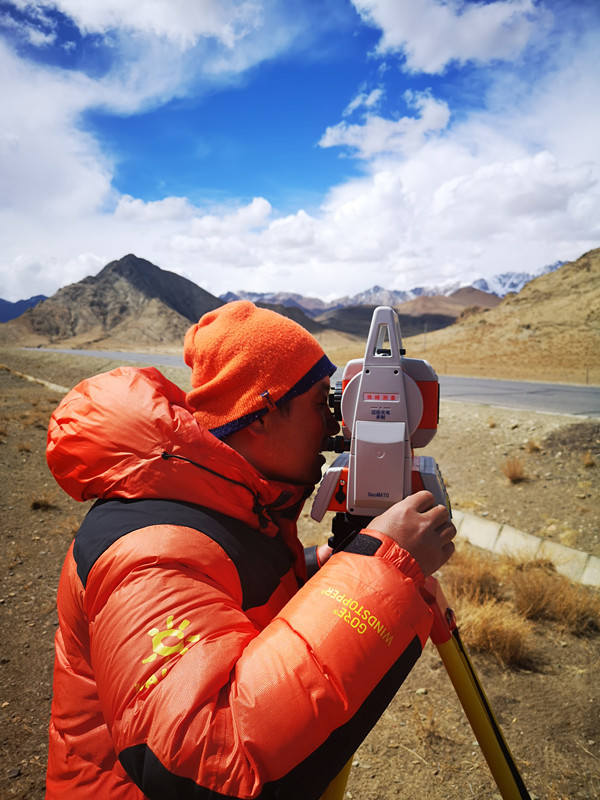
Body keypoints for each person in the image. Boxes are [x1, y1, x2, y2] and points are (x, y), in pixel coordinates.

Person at [45, 300, 456, 800]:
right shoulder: (146, 552)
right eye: (319, 405)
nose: (335, 427)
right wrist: (381, 570)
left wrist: (325, 571)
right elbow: (204, 764)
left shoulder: (228, 503)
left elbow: (229, 602)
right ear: (259, 415)